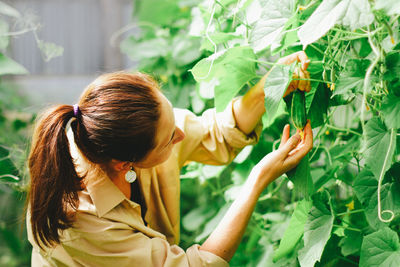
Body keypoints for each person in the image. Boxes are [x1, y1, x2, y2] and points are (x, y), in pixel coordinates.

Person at [26, 51, 313, 266]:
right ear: (126, 164)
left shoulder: (129, 131)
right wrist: (258, 179)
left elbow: (218, 133)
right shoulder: (78, 223)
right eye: (168, 139)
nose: (181, 134)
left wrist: (271, 84)